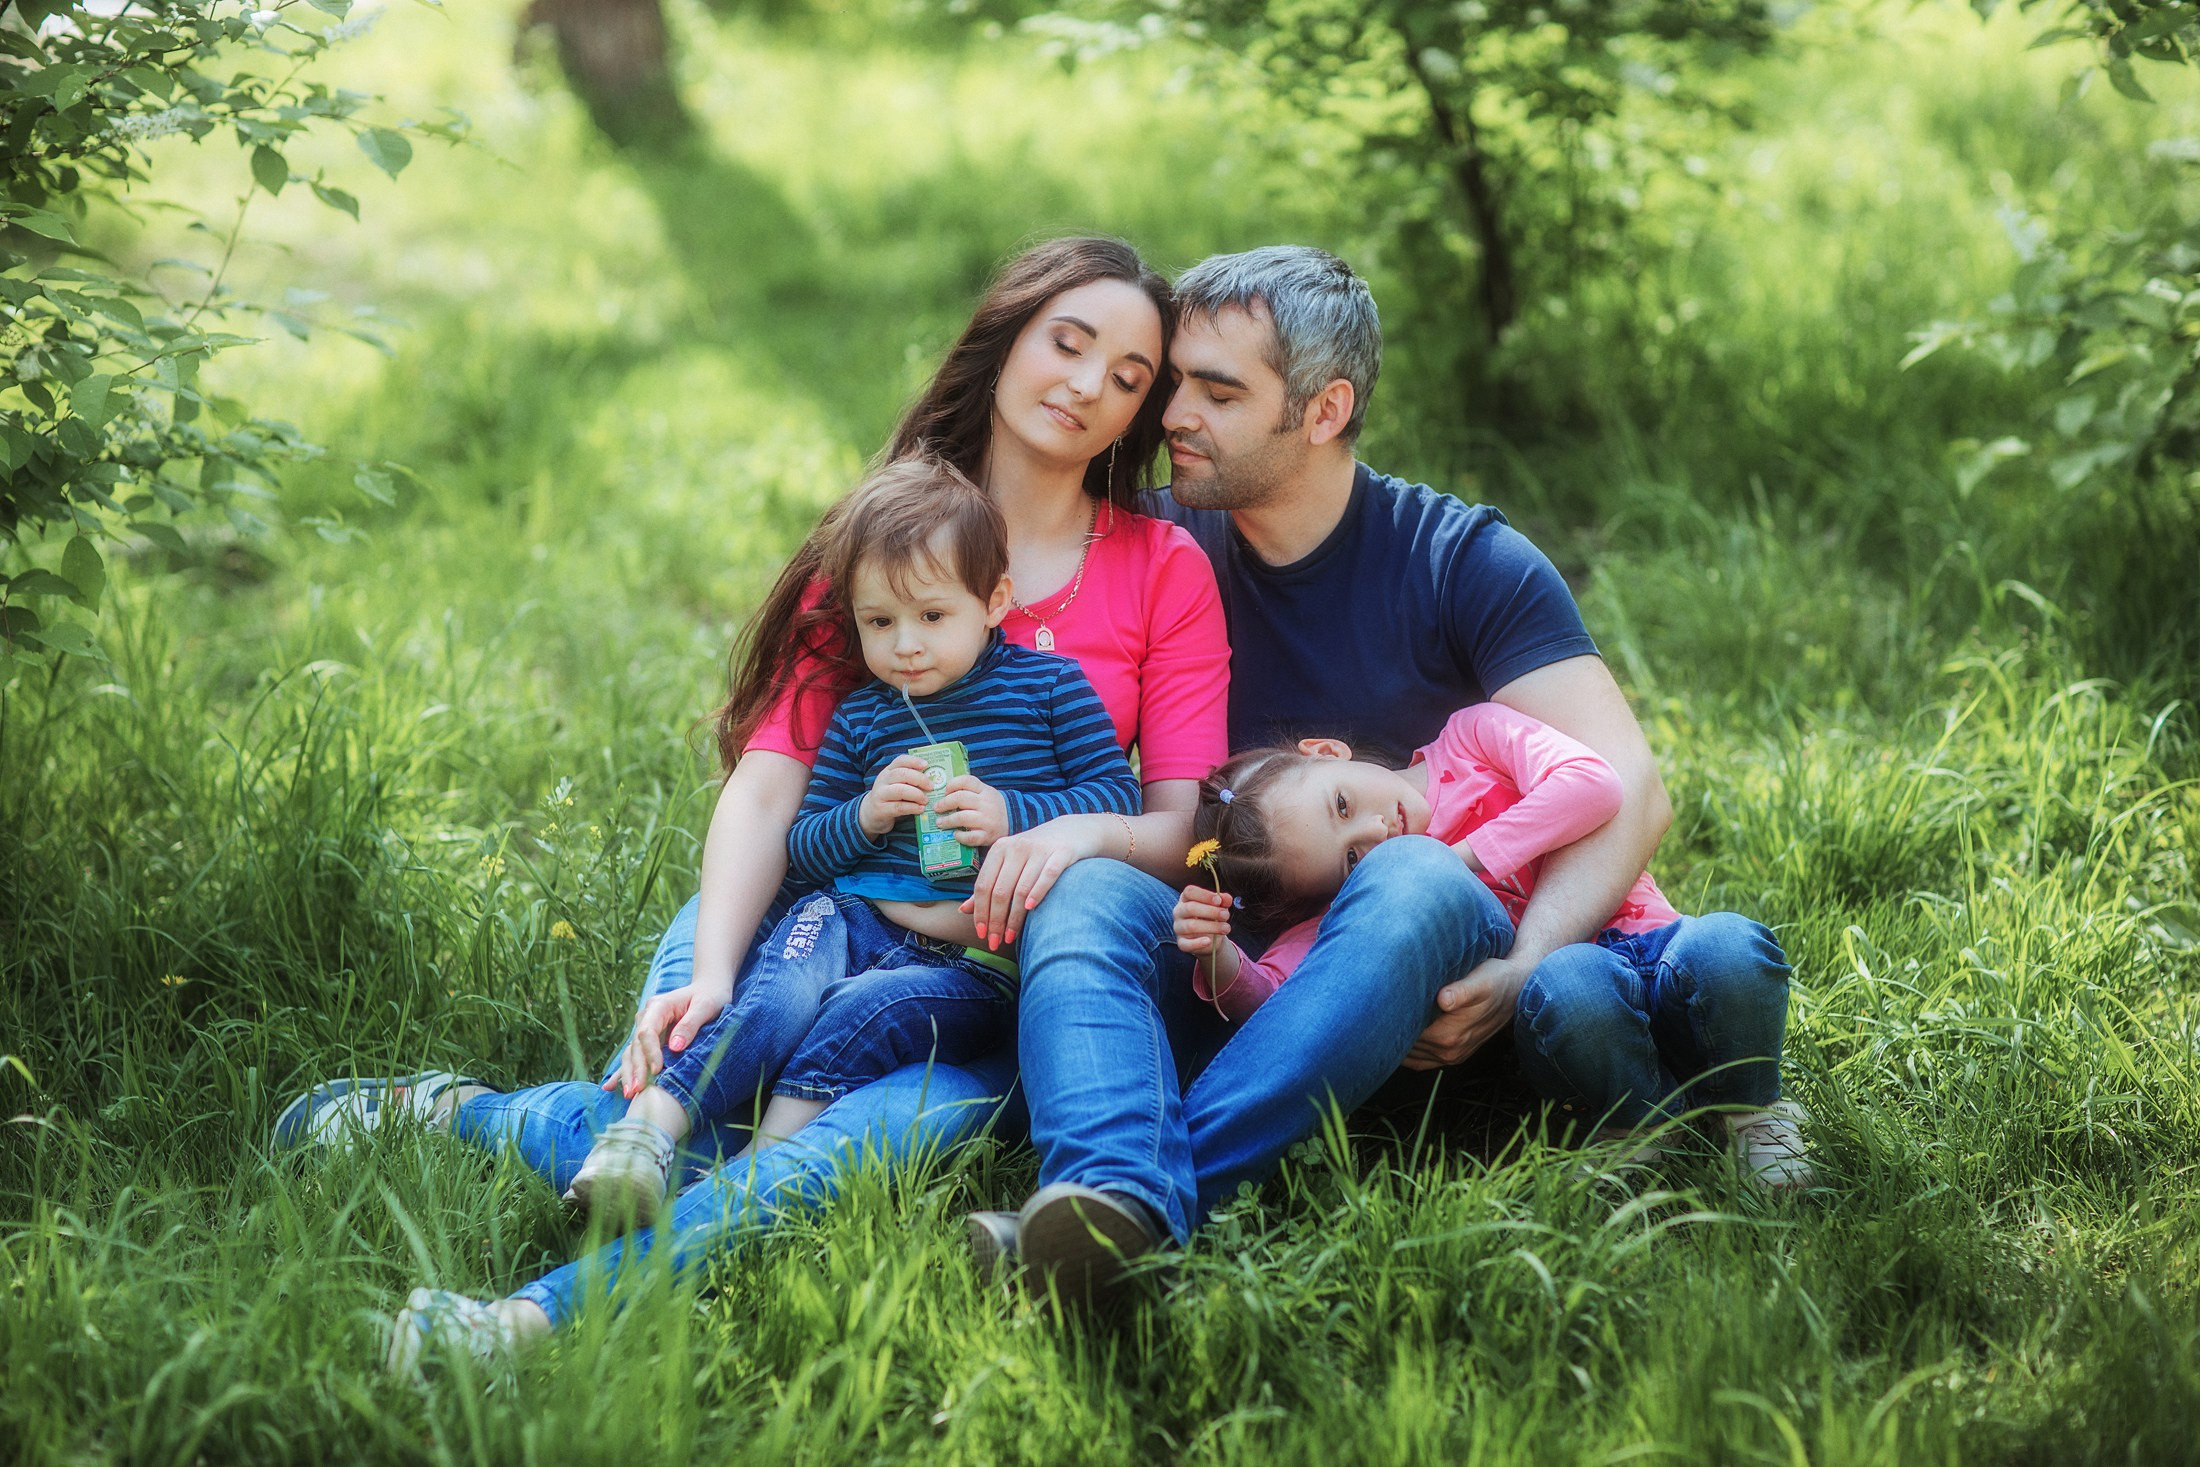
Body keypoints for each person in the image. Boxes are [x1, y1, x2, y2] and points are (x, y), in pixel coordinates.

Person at [272, 236, 1232, 1369]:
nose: (1087, 385)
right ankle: (464, 1111)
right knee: (683, 1087)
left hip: (986, 981)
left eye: (1128, 376)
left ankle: (519, 1314)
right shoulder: (883, 529)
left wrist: (1063, 831)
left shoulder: (1162, 566)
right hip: (808, 914)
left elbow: (1183, 830)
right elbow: (771, 780)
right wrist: (714, 973)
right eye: (1067, 344)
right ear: (1007, 336)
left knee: (790, 1163)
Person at [990, 244, 1720, 1297]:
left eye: (1218, 391)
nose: (1171, 413)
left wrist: (1527, 966)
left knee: (1413, 871)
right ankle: (1113, 1196)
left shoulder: (1461, 560)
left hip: (1436, 987)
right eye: (1177, 380)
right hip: (1238, 966)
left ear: (1323, 410)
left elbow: (1629, 789)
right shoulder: (1158, 543)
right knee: (1095, 886)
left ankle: (1139, 1212)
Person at [560, 458, 1143, 1223]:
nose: (905, 645)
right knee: (777, 992)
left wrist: (1015, 813)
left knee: (864, 1012)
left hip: (975, 961)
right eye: (879, 622)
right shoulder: (865, 717)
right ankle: (647, 1131)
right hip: (854, 917)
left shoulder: (1051, 690)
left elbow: (1116, 798)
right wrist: (866, 813)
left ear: (995, 600)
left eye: (932, 617)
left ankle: (753, 1174)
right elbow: (804, 848)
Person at [1169, 706, 1811, 1187]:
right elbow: (1285, 1002)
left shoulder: (1472, 738)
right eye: (1353, 859)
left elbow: (1593, 783)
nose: (1376, 830)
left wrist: (1463, 856)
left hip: (1653, 935)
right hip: (1568, 982)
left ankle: (1752, 1110)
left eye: (1342, 804)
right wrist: (1216, 953)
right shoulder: (1378, 896)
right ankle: (1638, 1125)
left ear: (1326, 749)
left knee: (1732, 945)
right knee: (1573, 994)